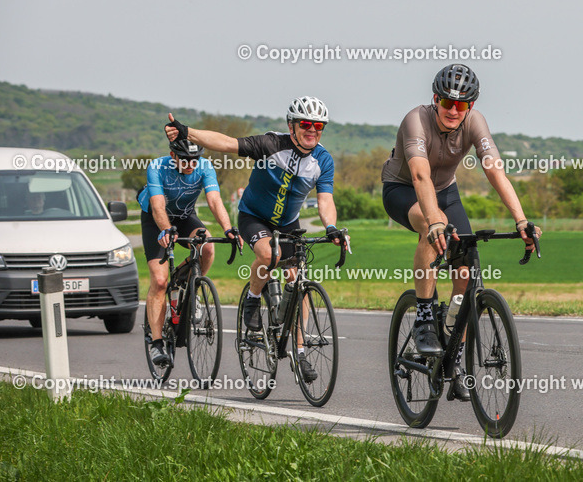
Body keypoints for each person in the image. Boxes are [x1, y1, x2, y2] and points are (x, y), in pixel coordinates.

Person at [381, 64, 539, 401]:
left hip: (446, 191)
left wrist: (521, 221)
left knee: (466, 272)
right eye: (448, 103)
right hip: (403, 189)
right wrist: (435, 219)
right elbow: (421, 177)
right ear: (435, 99)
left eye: (462, 105)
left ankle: (454, 352)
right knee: (430, 226)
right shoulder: (416, 120)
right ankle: (424, 316)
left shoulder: (474, 122)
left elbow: (495, 170)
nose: (454, 111)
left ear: (470, 106)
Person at [164, 97, 342, 383]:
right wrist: (188, 132)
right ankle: (253, 297)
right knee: (269, 255)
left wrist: (331, 227)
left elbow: (325, 201)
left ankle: (299, 351)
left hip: (288, 222)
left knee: (297, 278)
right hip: (253, 217)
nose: (312, 130)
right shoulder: (271, 144)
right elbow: (225, 143)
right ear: (292, 125)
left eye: (318, 125)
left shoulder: (323, 160)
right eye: (306, 124)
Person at [139, 139, 239, 368]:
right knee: (160, 280)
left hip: (184, 216)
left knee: (207, 246)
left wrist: (227, 228)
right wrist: (165, 229)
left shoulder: (204, 167)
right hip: (156, 220)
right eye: (186, 160)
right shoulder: (157, 167)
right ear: (173, 155)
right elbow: (157, 206)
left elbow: (214, 200)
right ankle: (156, 343)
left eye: (195, 159)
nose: (191, 164)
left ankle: (191, 287)